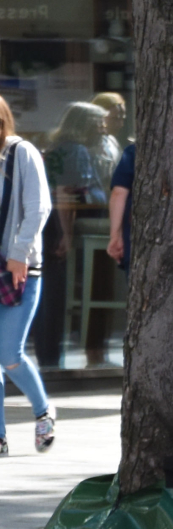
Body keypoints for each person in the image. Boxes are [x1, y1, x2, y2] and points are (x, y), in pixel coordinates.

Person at [0, 97, 54, 454]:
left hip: (19, 270)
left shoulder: (22, 153)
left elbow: (39, 207)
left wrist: (19, 254)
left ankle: (43, 412)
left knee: (9, 354)